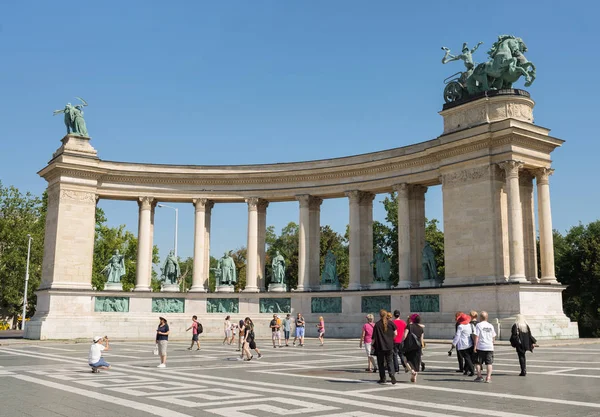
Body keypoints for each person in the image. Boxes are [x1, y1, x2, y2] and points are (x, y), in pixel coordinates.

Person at [372, 309, 397, 384]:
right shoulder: (391, 323)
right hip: (389, 345)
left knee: (381, 363)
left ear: (380, 315)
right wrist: (390, 339)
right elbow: (396, 333)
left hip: (380, 346)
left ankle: (383, 378)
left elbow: (373, 337)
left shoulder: (377, 324)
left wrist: (372, 345)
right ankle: (392, 374)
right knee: (390, 361)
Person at [473, 311, 496, 383]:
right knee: (489, 363)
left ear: (480, 317)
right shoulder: (490, 325)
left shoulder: (478, 325)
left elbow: (476, 336)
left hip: (481, 346)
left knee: (478, 362)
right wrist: (492, 343)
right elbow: (494, 336)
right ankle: (488, 378)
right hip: (489, 347)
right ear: (487, 317)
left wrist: (475, 346)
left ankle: (479, 376)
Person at [404, 314, 425, 383]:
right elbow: (421, 340)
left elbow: (404, 336)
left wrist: (402, 342)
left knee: (406, 360)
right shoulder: (421, 328)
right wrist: (422, 348)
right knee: (416, 362)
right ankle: (414, 377)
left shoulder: (409, 326)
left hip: (410, 346)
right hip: (418, 347)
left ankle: (412, 371)